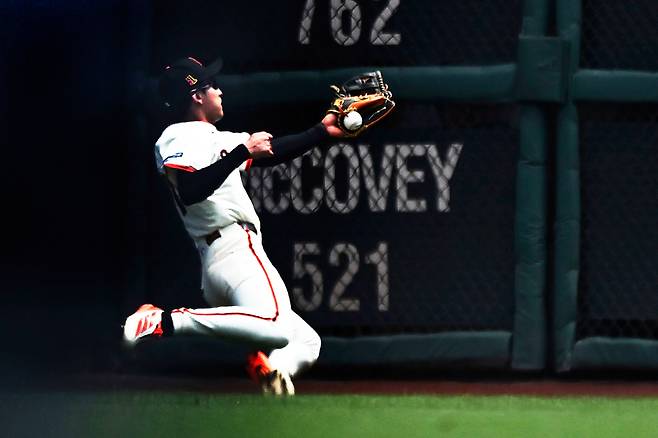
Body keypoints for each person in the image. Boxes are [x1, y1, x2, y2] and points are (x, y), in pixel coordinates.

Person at [123, 56, 345, 395]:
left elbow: (275, 150)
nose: (220, 91)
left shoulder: (213, 138)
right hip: (231, 250)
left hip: (224, 258)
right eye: (212, 85)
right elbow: (193, 190)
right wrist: (240, 151)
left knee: (305, 342)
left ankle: (274, 374)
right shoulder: (178, 136)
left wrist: (322, 130)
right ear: (196, 95)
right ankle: (166, 320)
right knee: (277, 325)